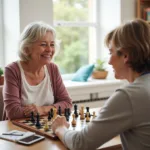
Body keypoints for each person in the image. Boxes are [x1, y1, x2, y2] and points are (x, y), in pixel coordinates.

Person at [51, 18, 150, 150]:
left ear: (125, 56)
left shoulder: (128, 96)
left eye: (111, 52)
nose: (109, 61)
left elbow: (80, 143)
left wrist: (60, 128)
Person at [3, 21, 72, 120]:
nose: (49, 50)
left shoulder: (53, 69)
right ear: (27, 48)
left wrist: (43, 109)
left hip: (45, 126)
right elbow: (14, 113)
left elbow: (67, 103)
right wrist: (53, 108)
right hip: (17, 131)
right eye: (43, 44)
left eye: (52, 44)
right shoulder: (12, 70)